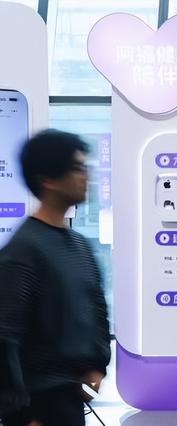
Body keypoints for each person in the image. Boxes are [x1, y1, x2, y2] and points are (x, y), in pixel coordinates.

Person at [0, 130, 111, 426]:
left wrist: (97, 367)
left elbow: (97, 311)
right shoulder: (23, 251)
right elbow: (5, 339)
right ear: (47, 179)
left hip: (72, 401)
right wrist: (21, 415)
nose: (85, 176)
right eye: (76, 168)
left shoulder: (80, 246)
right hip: (36, 409)